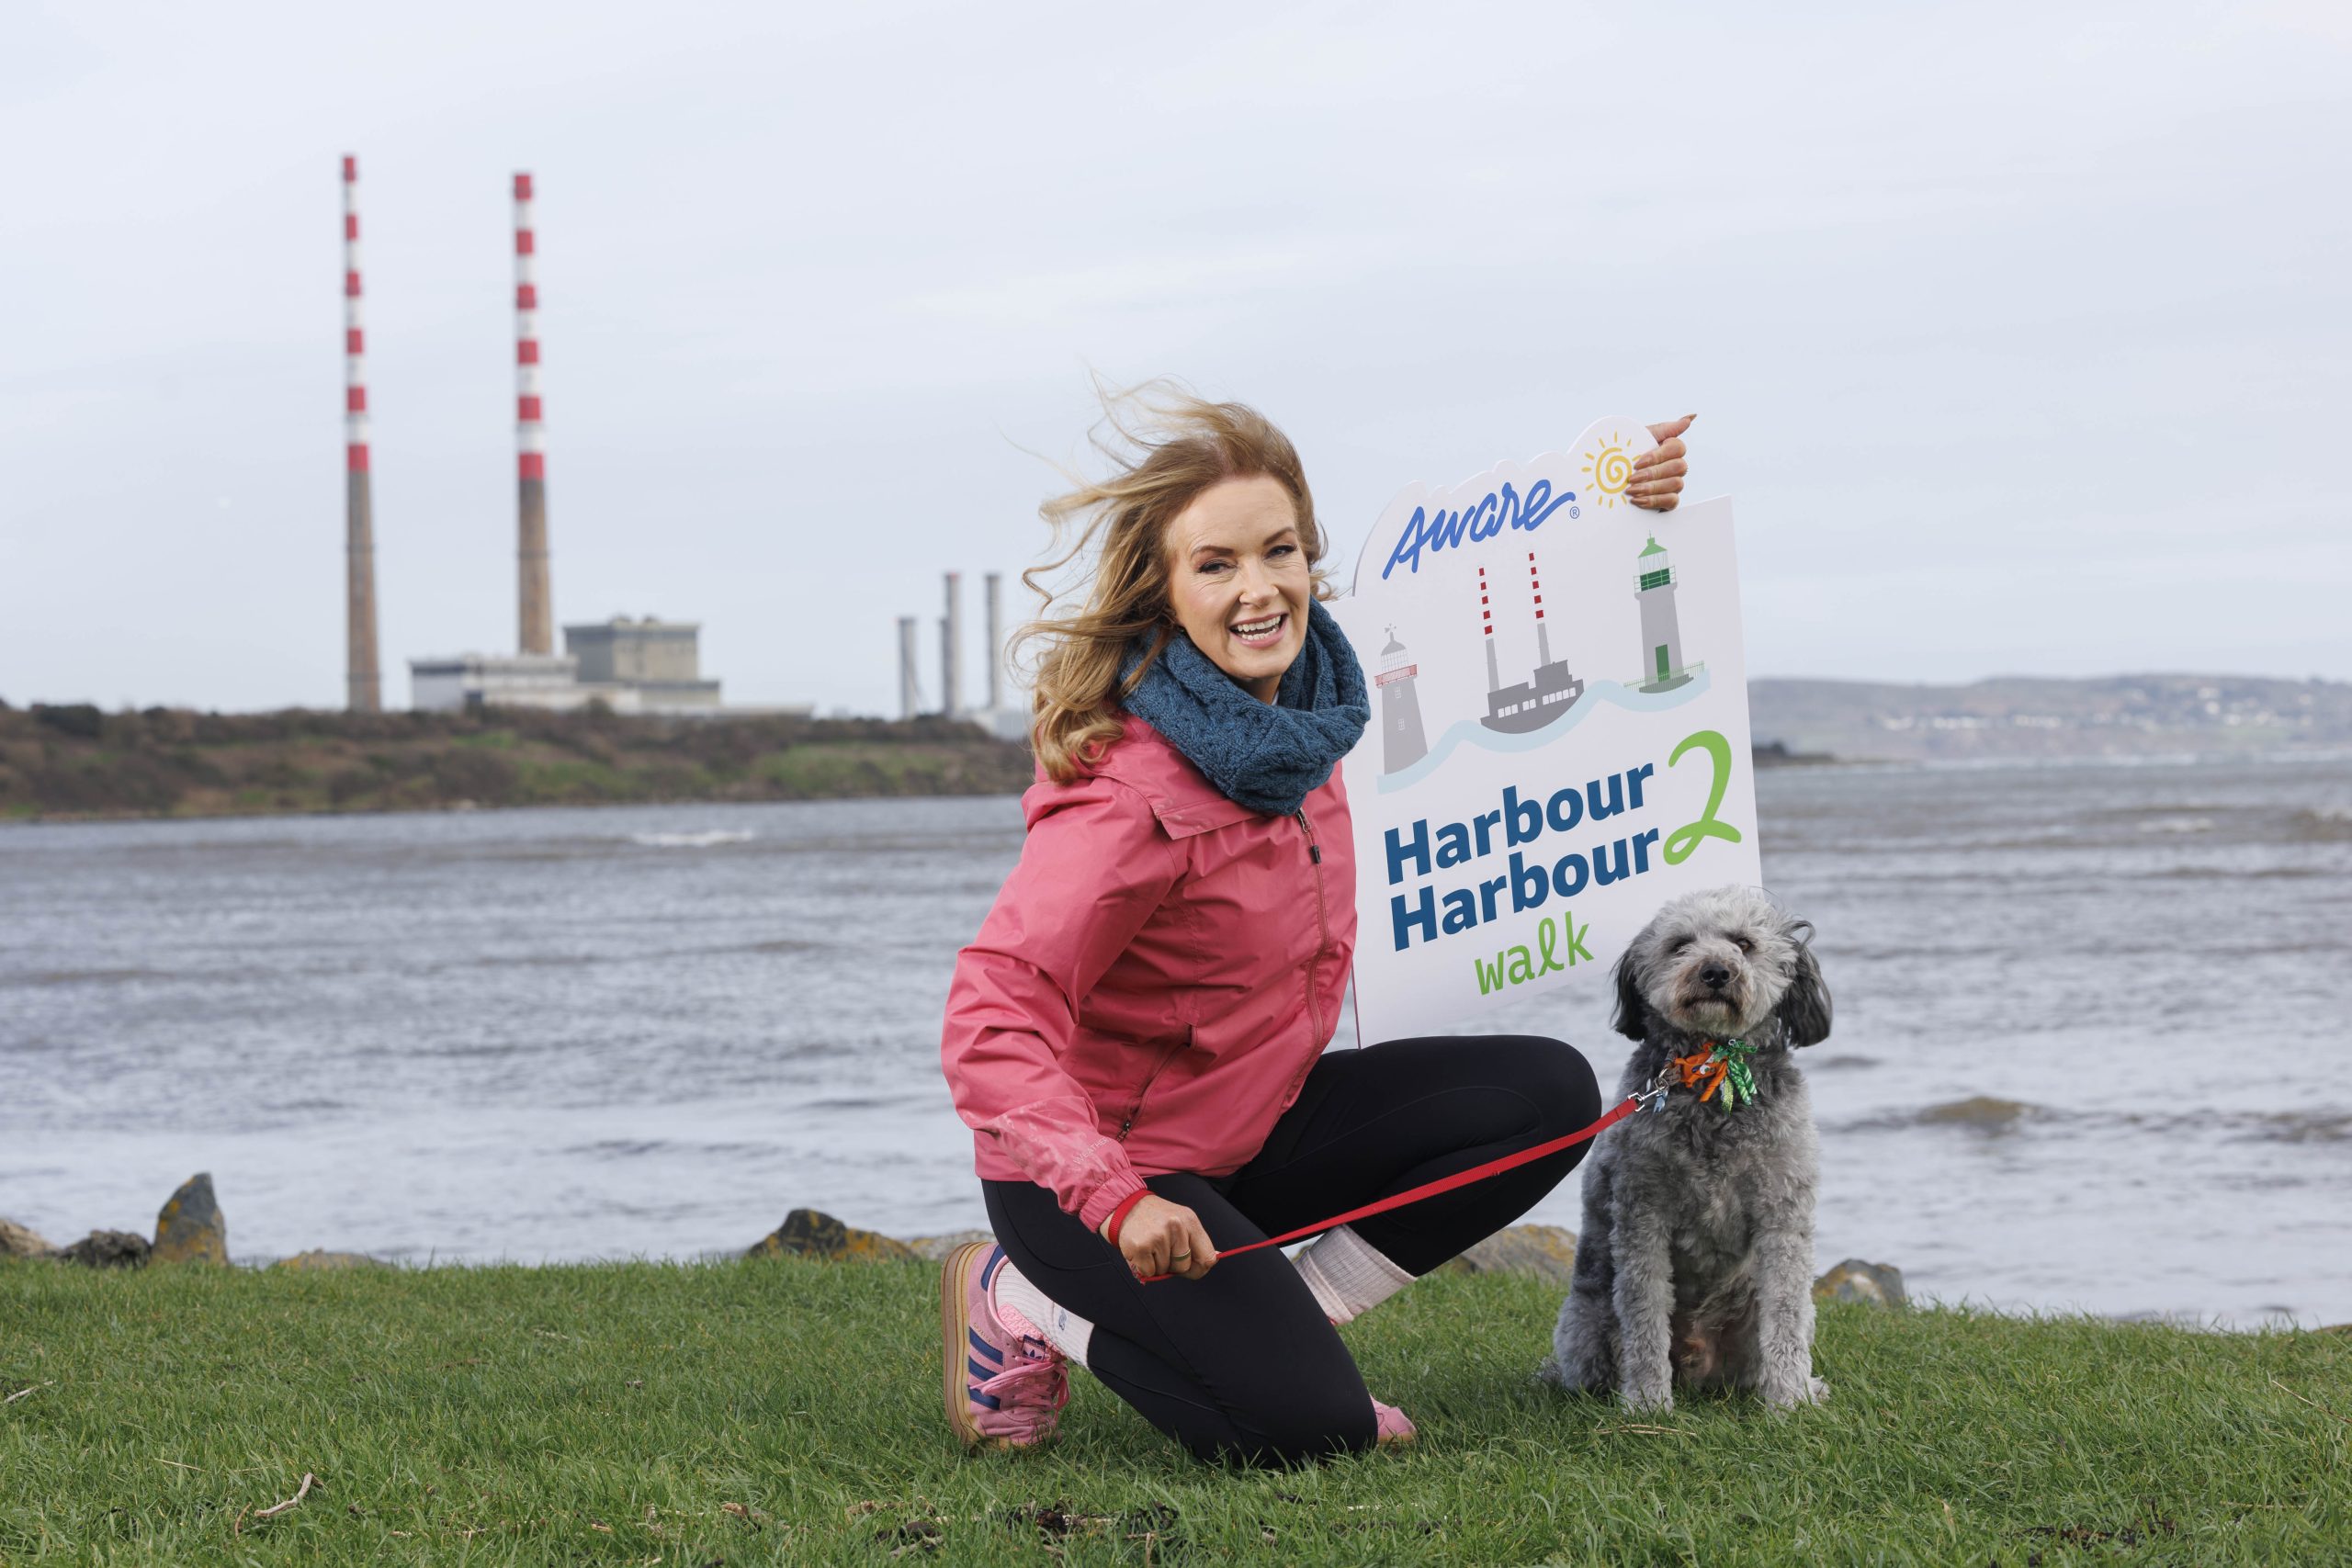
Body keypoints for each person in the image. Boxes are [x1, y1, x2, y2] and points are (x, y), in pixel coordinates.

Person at [938, 389, 1694, 1466]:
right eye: (1215, 565)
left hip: (1249, 1130)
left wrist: (1617, 495)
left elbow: (1490, 585)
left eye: (1279, 551)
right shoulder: (1128, 797)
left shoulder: (1315, 707)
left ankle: (1286, 1328)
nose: (1258, 589)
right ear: (1163, 591)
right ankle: (1023, 1300)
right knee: (1305, 1433)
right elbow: (988, 1017)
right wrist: (1113, 1199)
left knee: (1550, 1097)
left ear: (1309, 559)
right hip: (1098, 1185)